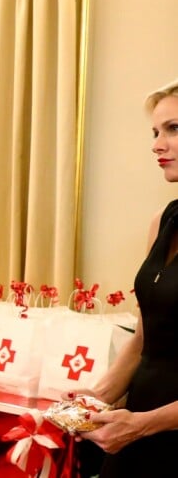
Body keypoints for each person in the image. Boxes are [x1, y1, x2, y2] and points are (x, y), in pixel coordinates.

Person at [73, 79, 178, 477]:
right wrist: (98, 398)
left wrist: (143, 423)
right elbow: (144, 335)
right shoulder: (163, 221)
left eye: (174, 129)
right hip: (138, 426)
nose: (157, 144)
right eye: (155, 132)